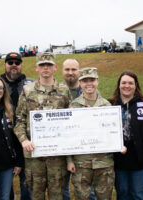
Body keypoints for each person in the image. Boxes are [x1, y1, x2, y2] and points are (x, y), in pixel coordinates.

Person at [14, 52, 71, 199]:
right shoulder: (27, 91)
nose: (45, 68)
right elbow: (19, 120)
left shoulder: (64, 91)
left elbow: (72, 122)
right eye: (42, 65)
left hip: (57, 156)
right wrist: (23, 140)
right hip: (34, 156)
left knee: (57, 195)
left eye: (49, 65)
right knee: (36, 195)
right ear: (36, 68)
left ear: (55, 68)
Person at [108, 71, 143, 200]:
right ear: (118, 85)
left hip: (139, 157)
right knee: (123, 192)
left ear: (136, 85)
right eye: (123, 82)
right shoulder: (110, 104)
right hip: (119, 158)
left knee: (137, 194)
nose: (127, 86)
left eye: (130, 83)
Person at [67, 67, 114, 199]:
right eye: (85, 80)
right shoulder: (73, 106)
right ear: (80, 83)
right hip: (81, 163)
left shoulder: (107, 106)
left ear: (97, 81)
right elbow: (69, 136)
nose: (89, 84)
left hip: (104, 162)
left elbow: (112, 133)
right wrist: (69, 160)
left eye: (92, 80)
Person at [61, 59, 96, 200]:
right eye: (67, 69)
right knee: (62, 190)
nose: (70, 73)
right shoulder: (56, 91)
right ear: (62, 71)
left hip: (84, 151)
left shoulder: (91, 92)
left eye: (74, 69)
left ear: (79, 71)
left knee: (88, 191)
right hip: (61, 149)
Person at [0, 52, 34, 200]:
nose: (14, 65)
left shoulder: (31, 84)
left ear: (21, 65)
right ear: (5, 65)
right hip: (3, 140)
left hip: (25, 139)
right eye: (10, 62)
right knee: (5, 184)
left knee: (27, 182)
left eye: (17, 63)